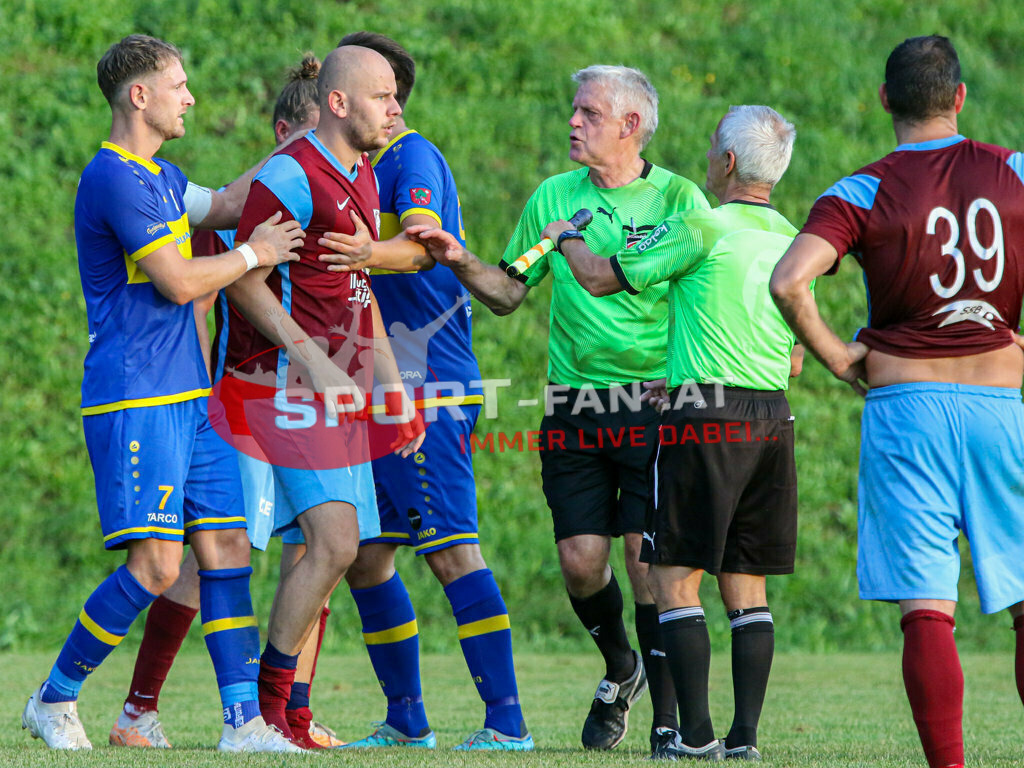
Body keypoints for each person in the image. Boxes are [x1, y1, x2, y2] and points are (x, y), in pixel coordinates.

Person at [408, 64, 709, 753]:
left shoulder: (678, 200)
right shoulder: (554, 196)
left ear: (631, 125)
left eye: (589, 113)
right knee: (580, 561)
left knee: (645, 562)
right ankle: (621, 666)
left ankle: (666, 727)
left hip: (655, 406)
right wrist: (460, 259)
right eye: (574, 110)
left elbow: (697, 298)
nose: (573, 122)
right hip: (571, 407)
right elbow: (511, 290)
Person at [21, 34, 305, 753]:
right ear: (139, 95)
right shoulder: (113, 177)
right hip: (135, 398)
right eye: (179, 85)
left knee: (227, 545)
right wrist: (253, 254)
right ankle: (54, 699)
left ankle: (243, 725)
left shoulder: (163, 176)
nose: (191, 98)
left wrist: (308, 145)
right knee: (157, 566)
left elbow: (234, 200)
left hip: (190, 397)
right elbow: (180, 279)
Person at [769, 35, 1024, 768]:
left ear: (885, 100)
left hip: (906, 409)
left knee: (926, 608)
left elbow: (790, 282)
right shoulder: (1013, 171)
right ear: (960, 98)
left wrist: (837, 355)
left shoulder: (861, 190)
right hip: (999, 406)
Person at [545, 105, 801, 760]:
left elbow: (602, 278)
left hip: (704, 421)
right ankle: (744, 741)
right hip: (771, 418)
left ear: (728, 162)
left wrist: (563, 236)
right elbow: (793, 354)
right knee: (747, 588)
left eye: (715, 145)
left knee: (673, 582)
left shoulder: (701, 225)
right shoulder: (791, 237)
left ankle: (692, 737)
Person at [108, 53, 342, 751]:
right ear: (283, 135)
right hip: (240, 399)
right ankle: (138, 706)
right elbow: (196, 294)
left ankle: (284, 717)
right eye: (309, 143)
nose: (322, 161)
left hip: (313, 403)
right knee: (205, 557)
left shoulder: (334, 200)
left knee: (322, 551)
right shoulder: (228, 204)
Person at [310, 31, 532, 752]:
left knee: (451, 549)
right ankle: (406, 718)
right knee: (369, 555)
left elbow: (424, 241)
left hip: (426, 383)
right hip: (377, 386)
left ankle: (508, 724)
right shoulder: (357, 167)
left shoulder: (410, 155)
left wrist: (361, 251)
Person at [217, 44, 423, 746]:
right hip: (276, 386)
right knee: (320, 543)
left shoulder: (363, 173)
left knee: (335, 550)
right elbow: (241, 281)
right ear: (338, 103)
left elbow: (358, 292)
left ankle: (284, 710)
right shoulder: (290, 174)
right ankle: (258, 708)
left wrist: (393, 388)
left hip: (331, 389)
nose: (396, 108)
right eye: (382, 95)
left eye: (396, 95)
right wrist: (315, 363)